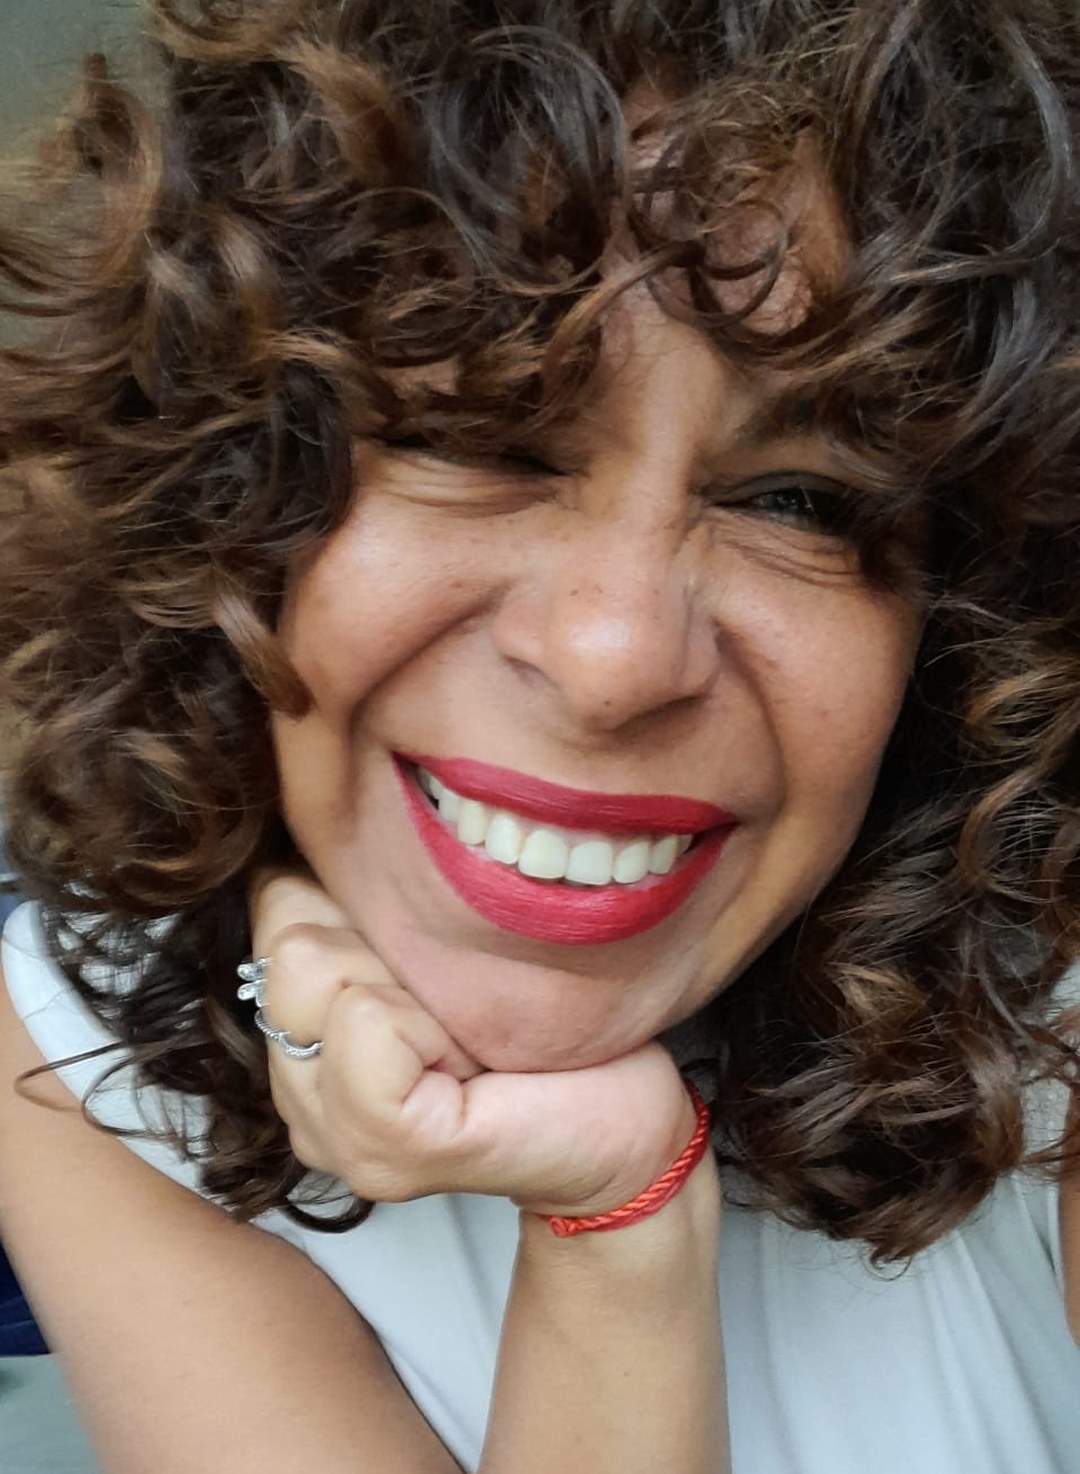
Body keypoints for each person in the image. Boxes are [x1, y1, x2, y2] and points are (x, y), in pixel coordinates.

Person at [0, 2, 1078, 1471]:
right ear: (220, 486)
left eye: (802, 502)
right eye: (482, 439)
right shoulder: (73, 1043)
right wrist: (615, 1231)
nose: (610, 658)